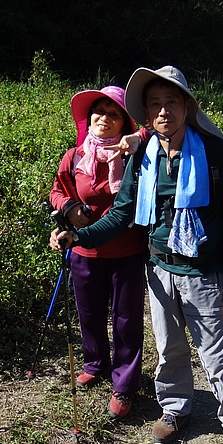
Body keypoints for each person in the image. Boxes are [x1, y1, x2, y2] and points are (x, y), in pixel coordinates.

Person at [53, 66, 223, 444]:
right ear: (147, 115)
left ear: (187, 106)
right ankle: (176, 409)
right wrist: (80, 236)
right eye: (155, 104)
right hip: (159, 268)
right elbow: (122, 213)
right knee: (169, 350)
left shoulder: (215, 153)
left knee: (214, 354)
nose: (164, 111)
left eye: (172, 102)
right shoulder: (143, 155)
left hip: (203, 271)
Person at [49, 85, 147, 420]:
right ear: (88, 118)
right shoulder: (76, 155)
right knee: (88, 314)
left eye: (114, 113)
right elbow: (56, 191)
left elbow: (158, 127)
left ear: (125, 123)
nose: (104, 118)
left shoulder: (136, 154)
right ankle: (95, 363)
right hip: (84, 253)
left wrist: (140, 136)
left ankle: (125, 384)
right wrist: (70, 206)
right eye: (99, 111)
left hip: (127, 252)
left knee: (125, 321)